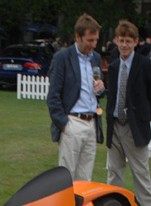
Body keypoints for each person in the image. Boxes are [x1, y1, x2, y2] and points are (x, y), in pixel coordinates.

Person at [105, 20, 151, 206]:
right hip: (114, 125)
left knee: (141, 174)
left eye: (128, 41)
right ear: (116, 41)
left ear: (136, 42)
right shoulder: (113, 67)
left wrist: (144, 117)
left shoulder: (146, 66)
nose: (124, 45)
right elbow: (112, 95)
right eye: (121, 40)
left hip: (135, 127)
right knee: (113, 172)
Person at [47, 13, 105, 182]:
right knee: (66, 179)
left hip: (92, 123)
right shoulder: (62, 58)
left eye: (96, 40)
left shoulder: (96, 58)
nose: (94, 44)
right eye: (90, 40)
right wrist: (64, 124)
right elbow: (53, 97)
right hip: (72, 123)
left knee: (85, 179)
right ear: (78, 37)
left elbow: (96, 90)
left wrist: (101, 89)